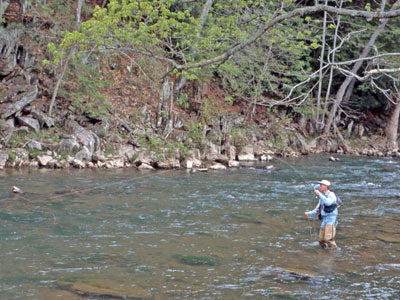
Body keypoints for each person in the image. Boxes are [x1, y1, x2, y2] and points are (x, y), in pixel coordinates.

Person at [305, 179, 338, 250]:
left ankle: (335, 253)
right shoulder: (322, 196)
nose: (320, 186)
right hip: (325, 219)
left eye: (321, 185)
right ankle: (324, 253)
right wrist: (310, 213)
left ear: (326, 186)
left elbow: (328, 202)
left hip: (331, 219)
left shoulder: (331, 194)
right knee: (321, 240)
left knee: (328, 239)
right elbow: (318, 208)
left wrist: (319, 194)